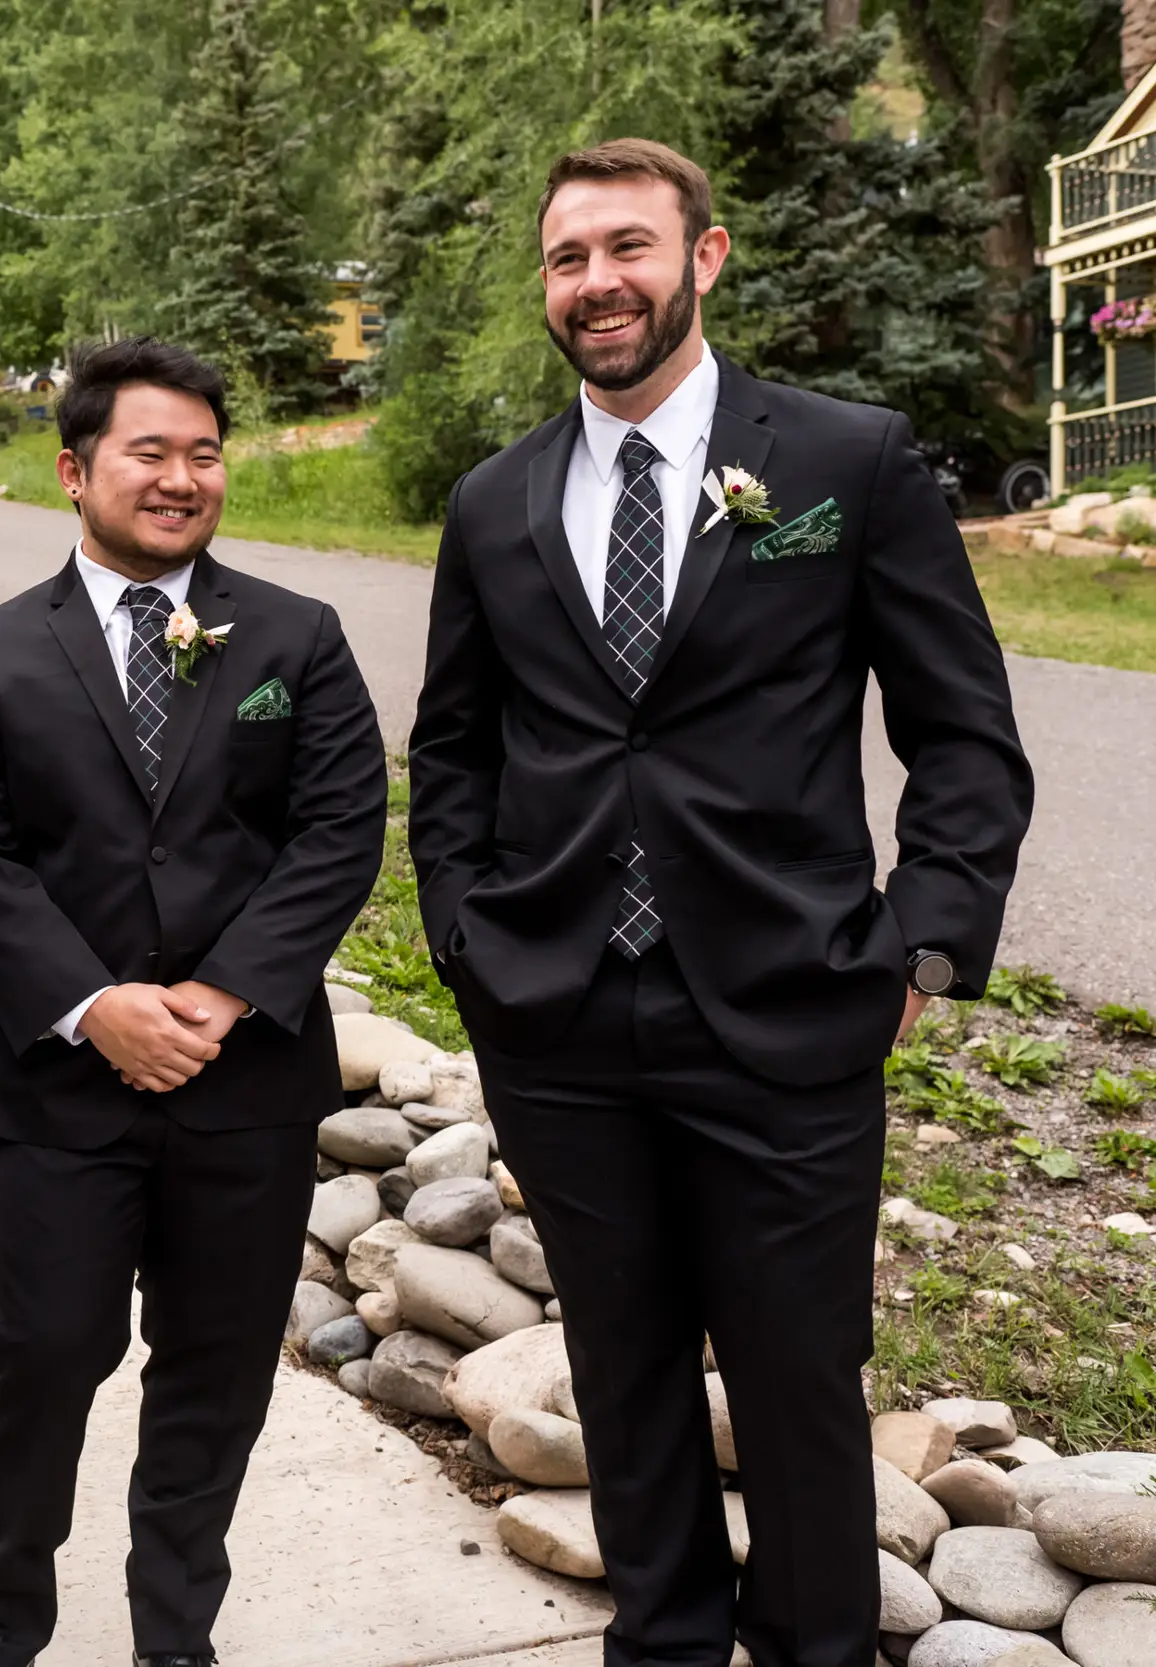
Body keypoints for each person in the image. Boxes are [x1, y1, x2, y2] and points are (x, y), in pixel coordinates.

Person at [407, 140, 1031, 1667]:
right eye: (568, 258)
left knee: (800, 1375)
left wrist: (925, 944)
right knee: (622, 1370)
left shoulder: (843, 461)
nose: (598, 281)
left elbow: (963, 734)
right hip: (558, 1010)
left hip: (787, 1002)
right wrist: (466, 936)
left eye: (628, 246)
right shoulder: (495, 501)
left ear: (707, 255)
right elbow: (455, 749)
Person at [0, 337, 388, 1667]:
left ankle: (174, 1639)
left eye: (203, 452)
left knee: (215, 1374)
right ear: (75, 471)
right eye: (149, 452)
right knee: (43, 1353)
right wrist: (92, 1004)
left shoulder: (298, 635)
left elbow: (341, 827)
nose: (181, 478)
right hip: (66, 1088)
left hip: (248, 1085)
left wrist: (225, 992)